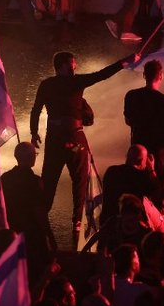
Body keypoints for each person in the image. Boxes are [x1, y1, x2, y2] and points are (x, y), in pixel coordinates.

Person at [30, 50, 140, 248]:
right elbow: (101, 74)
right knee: (71, 179)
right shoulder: (71, 82)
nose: (75, 67)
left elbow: (36, 109)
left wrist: (34, 132)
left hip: (57, 137)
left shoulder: (49, 84)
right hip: (72, 137)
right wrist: (124, 61)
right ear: (62, 66)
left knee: (67, 178)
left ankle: (69, 221)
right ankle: (55, 220)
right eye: (72, 64)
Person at [123, 60, 164, 195]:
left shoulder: (131, 96)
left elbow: (128, 121)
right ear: (161, 76)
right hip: (159, 157)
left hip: (137, 154)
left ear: (144, 75)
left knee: (136, 192)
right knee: (158, 193)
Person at [1, 141, 55, 277]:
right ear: (31, 157)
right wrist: (50, 236)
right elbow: (40, 212)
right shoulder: (35, 181)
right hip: (32, 237)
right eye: (34, 154)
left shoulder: (5, 178)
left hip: (11, 233)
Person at [100, 144, 161, 228]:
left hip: (107, 222)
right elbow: (158, 191)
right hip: (130, 226)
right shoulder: (140, 177)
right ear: (142, 161)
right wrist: (152, 169)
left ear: (127, 157)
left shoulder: (111, 171)